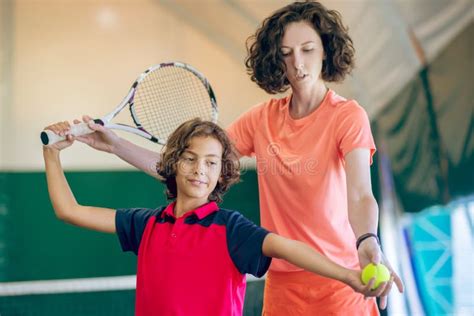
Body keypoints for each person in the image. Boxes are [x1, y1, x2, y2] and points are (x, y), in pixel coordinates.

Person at [70, 1, 404, 314]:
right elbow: (190, 170)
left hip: (341, 282)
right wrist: (115, 145)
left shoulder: (347, 116)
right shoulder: (260, 119)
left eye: (308, 50)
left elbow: (361, 194)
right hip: (283, 286)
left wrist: (368, 241)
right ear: (276, 59)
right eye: (286, 54)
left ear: (326, 51)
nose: (298, 64)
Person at [43, 118, 376, 316]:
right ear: (172, 164)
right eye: (189, 158)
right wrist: (51, 153)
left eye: (211, 162)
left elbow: (288, 247)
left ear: (222, 172)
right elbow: (69, 211)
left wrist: (346, 275)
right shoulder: (145, 225)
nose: (199, 170)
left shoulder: (231, 229)